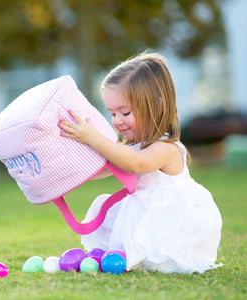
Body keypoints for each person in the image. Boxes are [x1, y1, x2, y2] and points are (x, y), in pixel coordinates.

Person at [58, 52, 222, 274]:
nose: (117, 121)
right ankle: (129, 258)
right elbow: (102, 169)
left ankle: (154, 259)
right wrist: (61, 173)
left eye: (125, 112)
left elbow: (136, 164)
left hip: (170, 224)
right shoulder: (131, 148)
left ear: (157, 106)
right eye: (112, 113)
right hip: (146, 217)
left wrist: (95, 138)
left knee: (162, 260)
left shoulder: (166, 147)